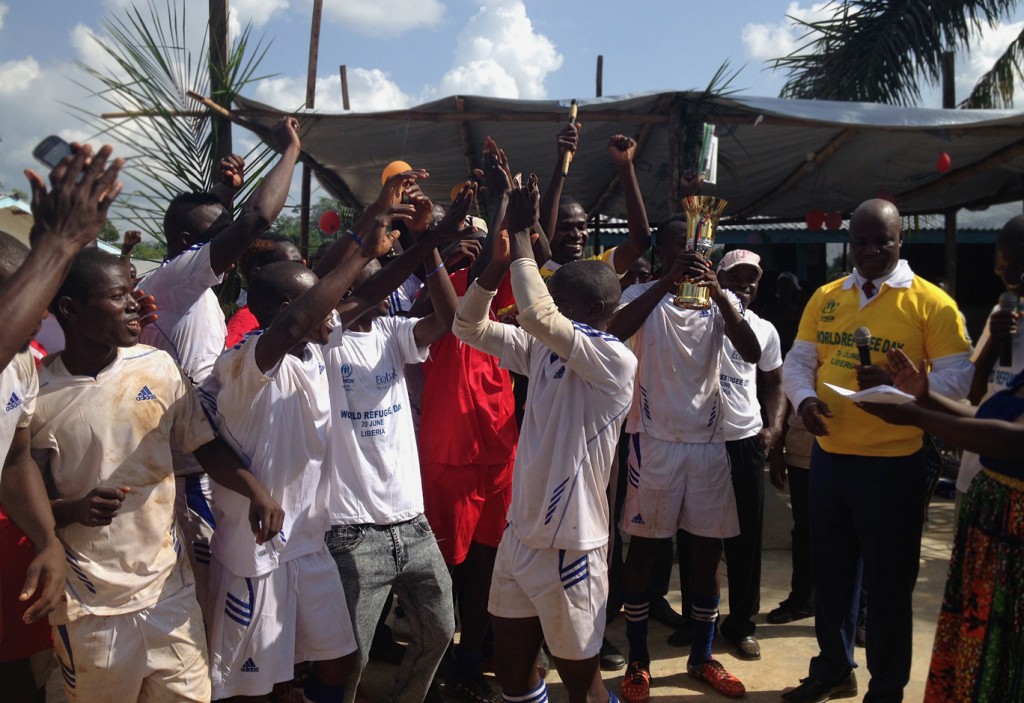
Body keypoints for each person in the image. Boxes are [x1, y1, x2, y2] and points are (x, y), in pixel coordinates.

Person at [29, 248, 283, 702]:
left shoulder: (156, 366)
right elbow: (28, 504)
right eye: (117, 296)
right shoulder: (40, 396)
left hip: (171, 591)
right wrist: (75, 509)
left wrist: (256, 492)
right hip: (92, 608)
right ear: (70, 309)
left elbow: (202, 443)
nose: (135, 303)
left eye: (133, 291)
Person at [780, 199, 972, 702]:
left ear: (900, 240)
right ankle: (832, 668)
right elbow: (799, 361)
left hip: (894, 465)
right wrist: (802, 402)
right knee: (833, 573)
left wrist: (904, 383)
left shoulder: (931, 303)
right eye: (860, 241)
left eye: (880, 241)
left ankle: (886, 687)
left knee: (888, 585)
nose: (868, 251)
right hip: (831, 458)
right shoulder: (826, 296)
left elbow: (958, 378)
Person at [453, 178, 636, 703]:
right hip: (521, 533)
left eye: (559, 299)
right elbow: (468, 327)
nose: (542, 305)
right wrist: (494, 268)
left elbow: (536, 314)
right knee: (512, 674)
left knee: (581, 684)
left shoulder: (614, 359)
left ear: (588, 306)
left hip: (572, 545)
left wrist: (520, 232)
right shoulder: (544, 351)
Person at [203, 224, 397, 701]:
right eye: (319, 306)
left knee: (336, 657)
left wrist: (429, 243)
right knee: (258, 682)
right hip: (256, 555)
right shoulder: (246, 361)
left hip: (307, 542)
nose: (333, 312)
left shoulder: (314, 348)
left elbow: (371, 293)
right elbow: (292, 325)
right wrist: (361, 253)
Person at [138, 118, 301, 614]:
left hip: (209, 467)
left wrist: (221, 197)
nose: (230, 245)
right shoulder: (172, 283)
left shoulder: (186, 287)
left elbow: (228, 226)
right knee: (206, 609)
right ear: (189, 240)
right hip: (189, 476)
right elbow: (253, 221)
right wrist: (291, 151)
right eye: (217, 235)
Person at [322, 178, 475, 703]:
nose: (382, 296)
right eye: (370, 287)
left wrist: (425, 244)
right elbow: (362, 292)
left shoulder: (391, 334)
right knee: (351, 656)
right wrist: (417, 239)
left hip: (412, 524)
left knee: (437, 630)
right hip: (351, 532)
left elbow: (450, 320)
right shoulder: (319, 345)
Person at [609, 215, 761, 701]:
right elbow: (614, 330)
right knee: (646, 552)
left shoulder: (723, 299)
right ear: (663, 253)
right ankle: (638, 660)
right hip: (652, 441)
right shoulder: (640, 295)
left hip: (709, 443)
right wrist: (666, 283)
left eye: (698, 247)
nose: (691, 255)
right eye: (679, 248)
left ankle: (702, 657)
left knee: (705, 553)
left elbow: (753, 351)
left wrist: (718, 294)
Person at [857, 348, 1024, 703]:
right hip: (995, 536)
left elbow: (1013, 439)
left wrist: (915, 415)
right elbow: (985, 416)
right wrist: (926, 397)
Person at [417, 138, 521, 702]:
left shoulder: (499, 289)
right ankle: (435, 662)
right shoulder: (432, 294)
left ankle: (470, 660)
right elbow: (464, 293)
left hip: (497, 452)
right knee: (443, 572)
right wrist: (495, 203)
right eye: (464, 239)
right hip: (448, 452)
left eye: (479, 240)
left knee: (485, 567)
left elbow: (504, 261)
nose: (473, 247)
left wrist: (503, 205)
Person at [671, 249, 785, 661]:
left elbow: (774, 382)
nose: (744, 284)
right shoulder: (692, 318)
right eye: (735, 276)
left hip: (743, 440)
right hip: (699, 439)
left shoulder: (763, 329)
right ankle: (695, 618)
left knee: (746, 539)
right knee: (694, 537)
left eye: (752, 278)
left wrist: (774, 427)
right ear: (715, 275)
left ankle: (741, 623)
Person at [954, 216, 1024, 509]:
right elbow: (974, 393)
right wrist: (994, 343)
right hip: (976, 477)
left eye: (1018, 268)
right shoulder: (1002, 313)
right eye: (1001, 267)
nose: (1010, 279)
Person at [539, 132, 650, 280]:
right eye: (565, 228)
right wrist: (561, 164)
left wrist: (625, 166)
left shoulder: (598, 270)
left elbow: (640, 243)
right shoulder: (532, 270)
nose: (576, 235)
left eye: (582, 227)